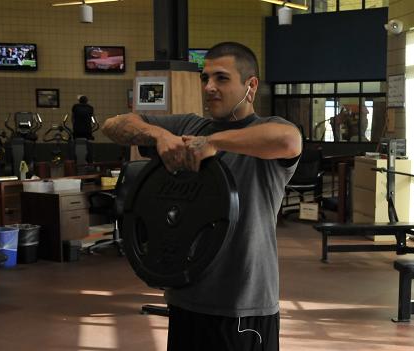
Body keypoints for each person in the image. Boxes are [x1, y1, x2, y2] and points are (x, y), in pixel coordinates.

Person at [102, 42, 302, 350]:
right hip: (186, 297)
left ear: (250, 86)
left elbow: (289, 140)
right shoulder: (187, 126)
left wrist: (213, 142)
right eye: (205, 78)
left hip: (243, 307)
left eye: (221, 78)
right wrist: (159, 135)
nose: (209, 87)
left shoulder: (267, 129)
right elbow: (113, 125)